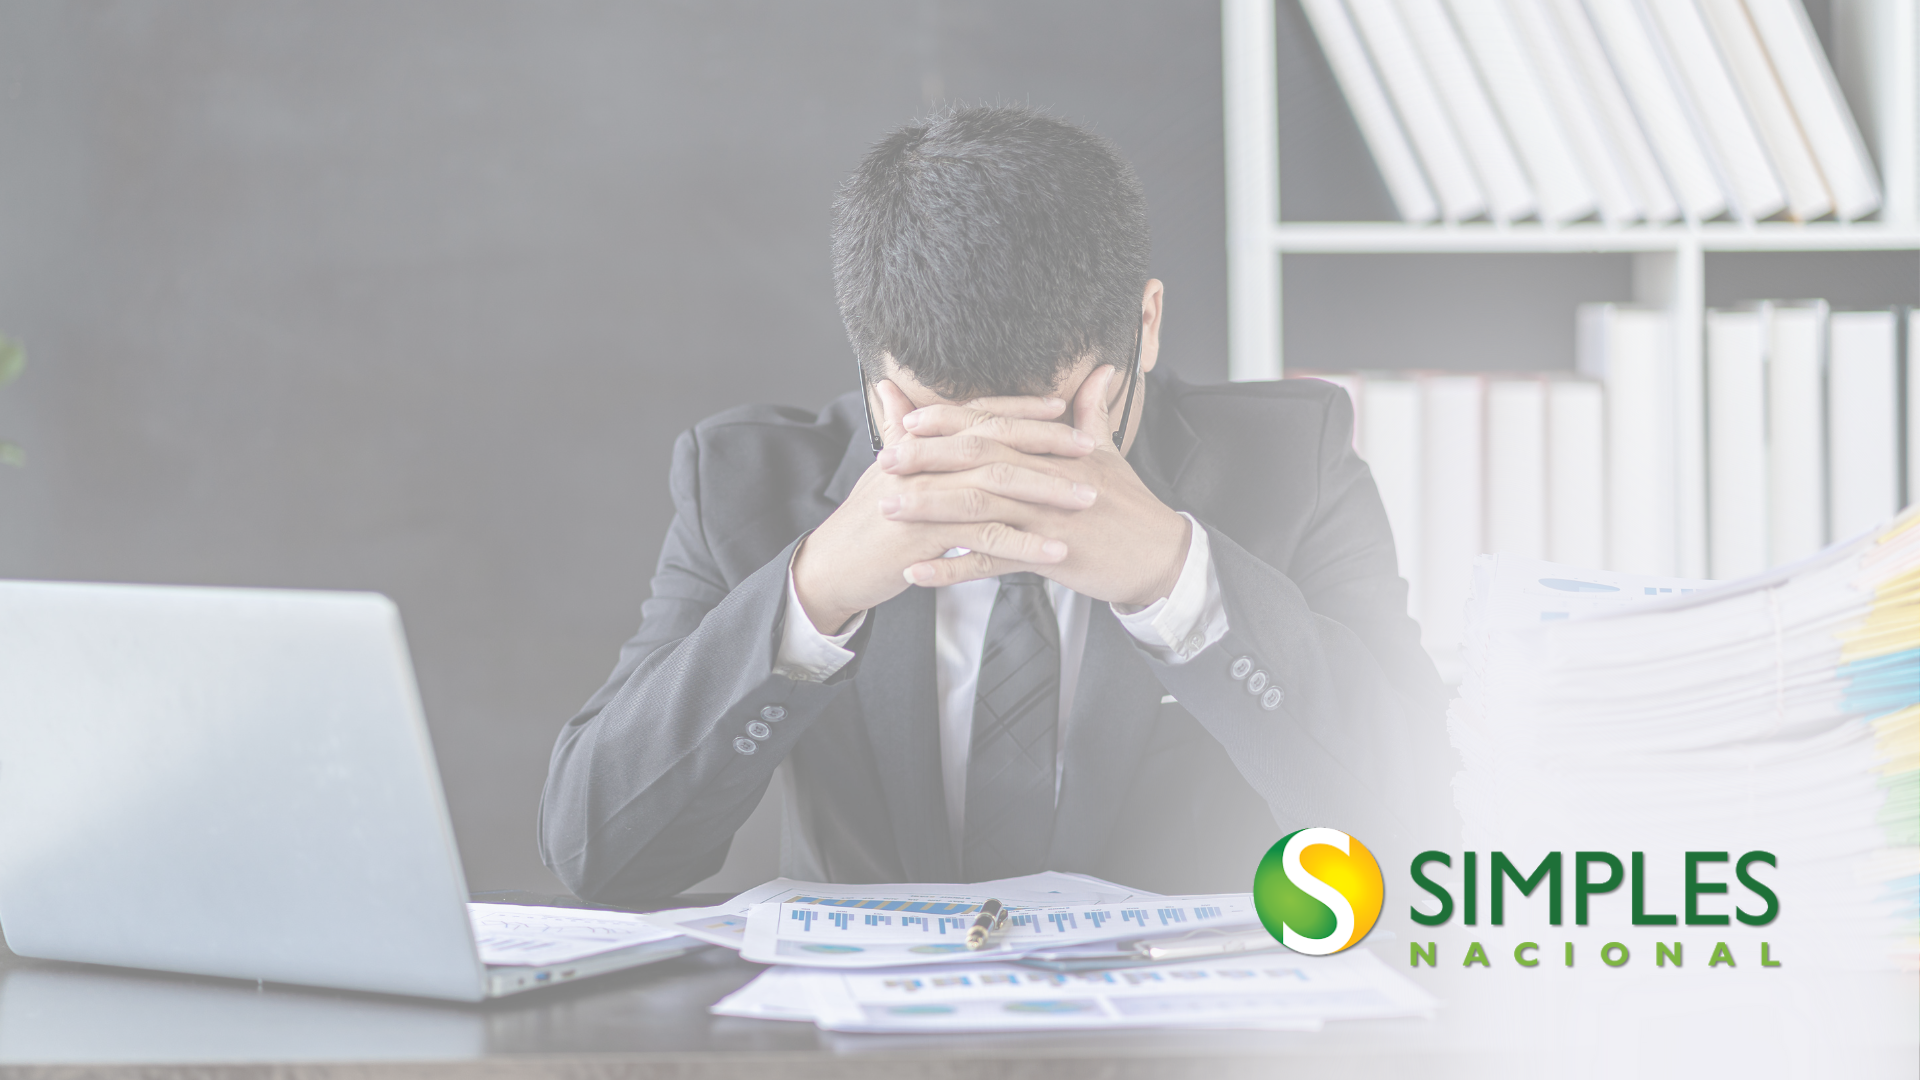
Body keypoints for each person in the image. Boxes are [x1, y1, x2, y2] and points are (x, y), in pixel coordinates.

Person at [539, 106, 1450, 904]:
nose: (1000, 477)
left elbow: (1429, 836)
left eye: (1057, 427)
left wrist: (1181, 586)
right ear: (873, 374)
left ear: (1147, 324)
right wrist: (809, 599)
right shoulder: (744, 484)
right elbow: (599, 856)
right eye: (948, 431)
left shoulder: (1296, 464)